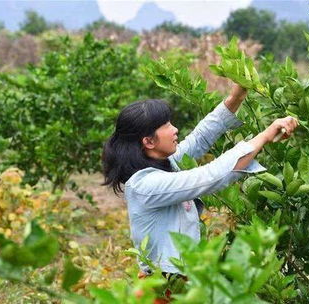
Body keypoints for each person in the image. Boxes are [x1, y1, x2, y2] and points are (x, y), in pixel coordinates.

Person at [102, 84, 298, 279]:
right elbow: (211, 176)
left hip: (182, 278)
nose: (175, 129)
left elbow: (200, 138)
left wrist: (236, 97)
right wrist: (265, 135)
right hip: (164, 285)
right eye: (167, 126)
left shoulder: (164, 163)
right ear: (149, 141)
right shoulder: (145, 185)